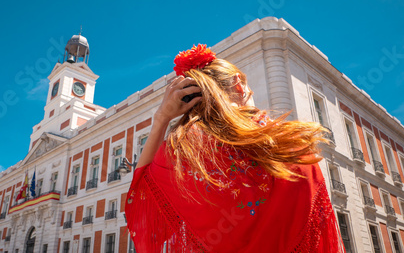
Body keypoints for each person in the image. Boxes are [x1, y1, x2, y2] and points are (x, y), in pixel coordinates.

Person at [125, 44, 345, 253]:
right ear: (238, 85)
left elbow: (141, 205)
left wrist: (161, 118)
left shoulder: (180, 152)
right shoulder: (292, 144)